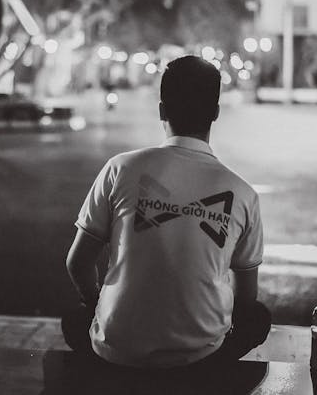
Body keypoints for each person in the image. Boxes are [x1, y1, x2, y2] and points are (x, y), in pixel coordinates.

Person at [63, 55, 270, 369]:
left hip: (116, 352)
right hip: (200, 359)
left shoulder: (121, 168)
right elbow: (246, 298)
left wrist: (95, 303)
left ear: (162, 109)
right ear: (215, 113)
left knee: (73, 320)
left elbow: (78, 262)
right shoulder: (242, 192)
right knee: (259, 319)